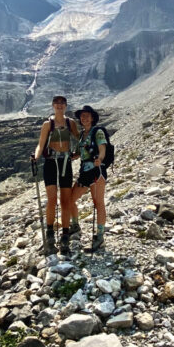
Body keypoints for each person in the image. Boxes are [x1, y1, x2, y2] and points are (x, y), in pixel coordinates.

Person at [32, 95, 79, 255]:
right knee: (52, 199)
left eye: (62, 103)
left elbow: (79, 139)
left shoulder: (70, 123)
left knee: (65, 201)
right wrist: (36, 156)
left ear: (65, 106)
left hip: (65, 162)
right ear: (53, 105)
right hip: (51, 162)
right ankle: (50, 231)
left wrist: (78, 153)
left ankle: (65, 234)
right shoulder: (48, 124)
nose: (59, 106)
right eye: (57, 103)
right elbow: (41, 144)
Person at [71, 104, 109, 252]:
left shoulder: (98, 132)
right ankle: (75, 225)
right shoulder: (83, 134)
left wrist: (100, 158)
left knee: (98, 202)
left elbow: (102, 149)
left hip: (96, 171)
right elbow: (82, 152)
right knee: (71, 199)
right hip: (85, 172)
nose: (84, 118)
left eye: (87, 115)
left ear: (92, 118)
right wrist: (73, 156)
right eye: (82, 116)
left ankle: (99, 237)